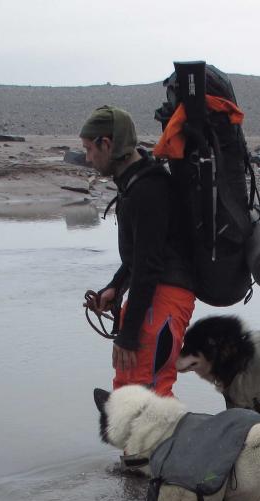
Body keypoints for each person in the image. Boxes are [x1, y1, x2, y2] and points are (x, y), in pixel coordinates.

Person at [80, 105, 195, 396]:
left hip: (166, 299)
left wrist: (129, 335)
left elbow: (149, 265)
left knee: (147, 395)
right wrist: (114, 288)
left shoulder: (148, 189)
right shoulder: (136, 183)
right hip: (154, 296)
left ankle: (156, 443)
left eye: (88, 148)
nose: (87, 158)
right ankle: (133, 444)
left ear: (106, 144)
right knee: (127, 391)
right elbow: (141, 257)